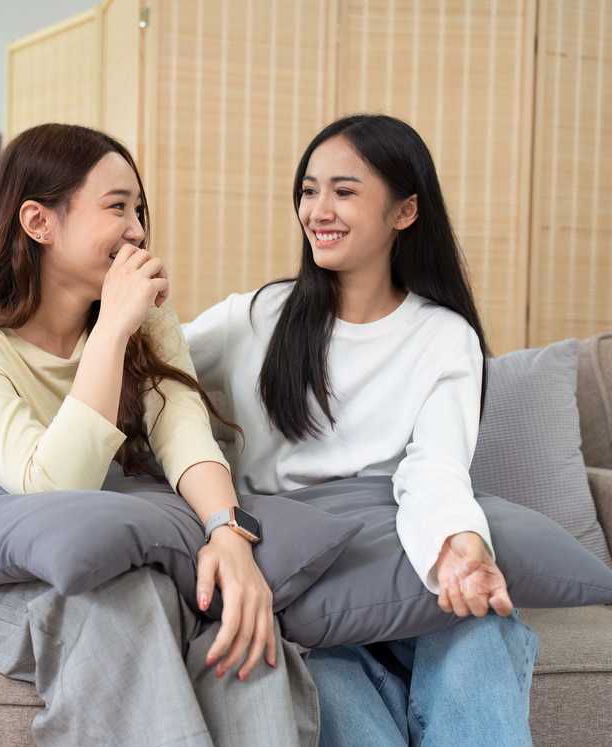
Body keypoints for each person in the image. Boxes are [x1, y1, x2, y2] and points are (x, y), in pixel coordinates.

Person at [0, 122, 320, 747]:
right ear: (39, 221)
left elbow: (186, 434)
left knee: (235, 617)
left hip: (121, 558)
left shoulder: (147, 323)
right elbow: (54, 491)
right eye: (117, 207)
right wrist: (111, 329)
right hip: (7, 585)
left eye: (139, 209)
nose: (137, 229)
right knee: (127, 606)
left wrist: (229, 537)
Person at [178, 113, 539, 746]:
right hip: (302, 588)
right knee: (348, 708)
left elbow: (435, 468)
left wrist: (460, 545)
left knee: (481, 637)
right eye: (308, 190)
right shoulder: (257, 317)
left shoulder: (443, 336)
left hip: (400, 568)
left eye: (343, 191)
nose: (318, 210)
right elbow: (144, 374)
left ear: (405, 211)